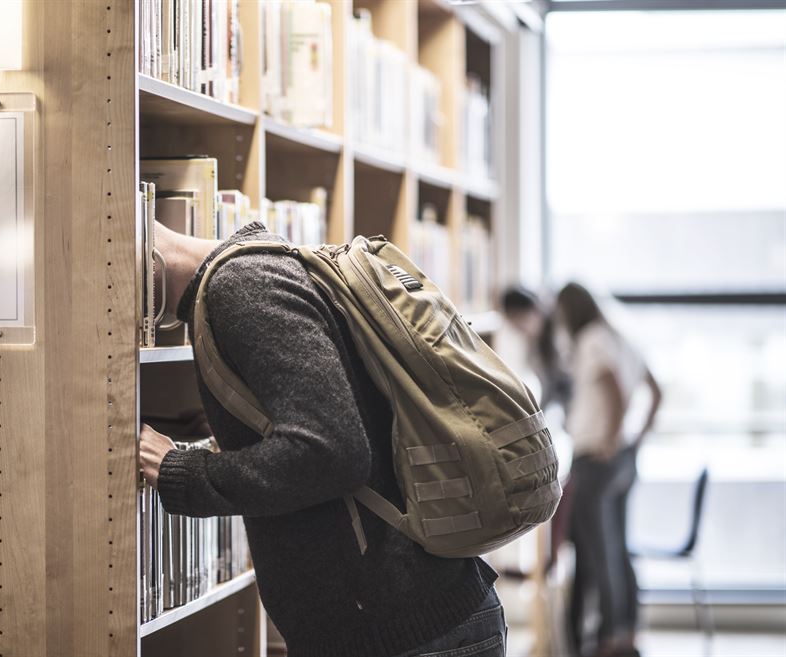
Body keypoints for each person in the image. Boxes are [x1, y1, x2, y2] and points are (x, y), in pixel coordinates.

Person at [139, 220, 504, 657]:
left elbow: (332, 451)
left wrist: (186, 473)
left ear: (142, 252)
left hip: (405, 632)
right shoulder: (255, 276)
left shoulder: (242, 286)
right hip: (403, 627)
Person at [555, 283, 662, 657]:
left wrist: (612, 439)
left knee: (598, 553)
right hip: (623, 461)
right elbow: (655, 390)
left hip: (596, 460)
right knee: (615, 549)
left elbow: (615, 389)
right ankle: (625, 633)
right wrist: (635, 439)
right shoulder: (619, 337)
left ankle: (610, 640)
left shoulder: (593, 341)